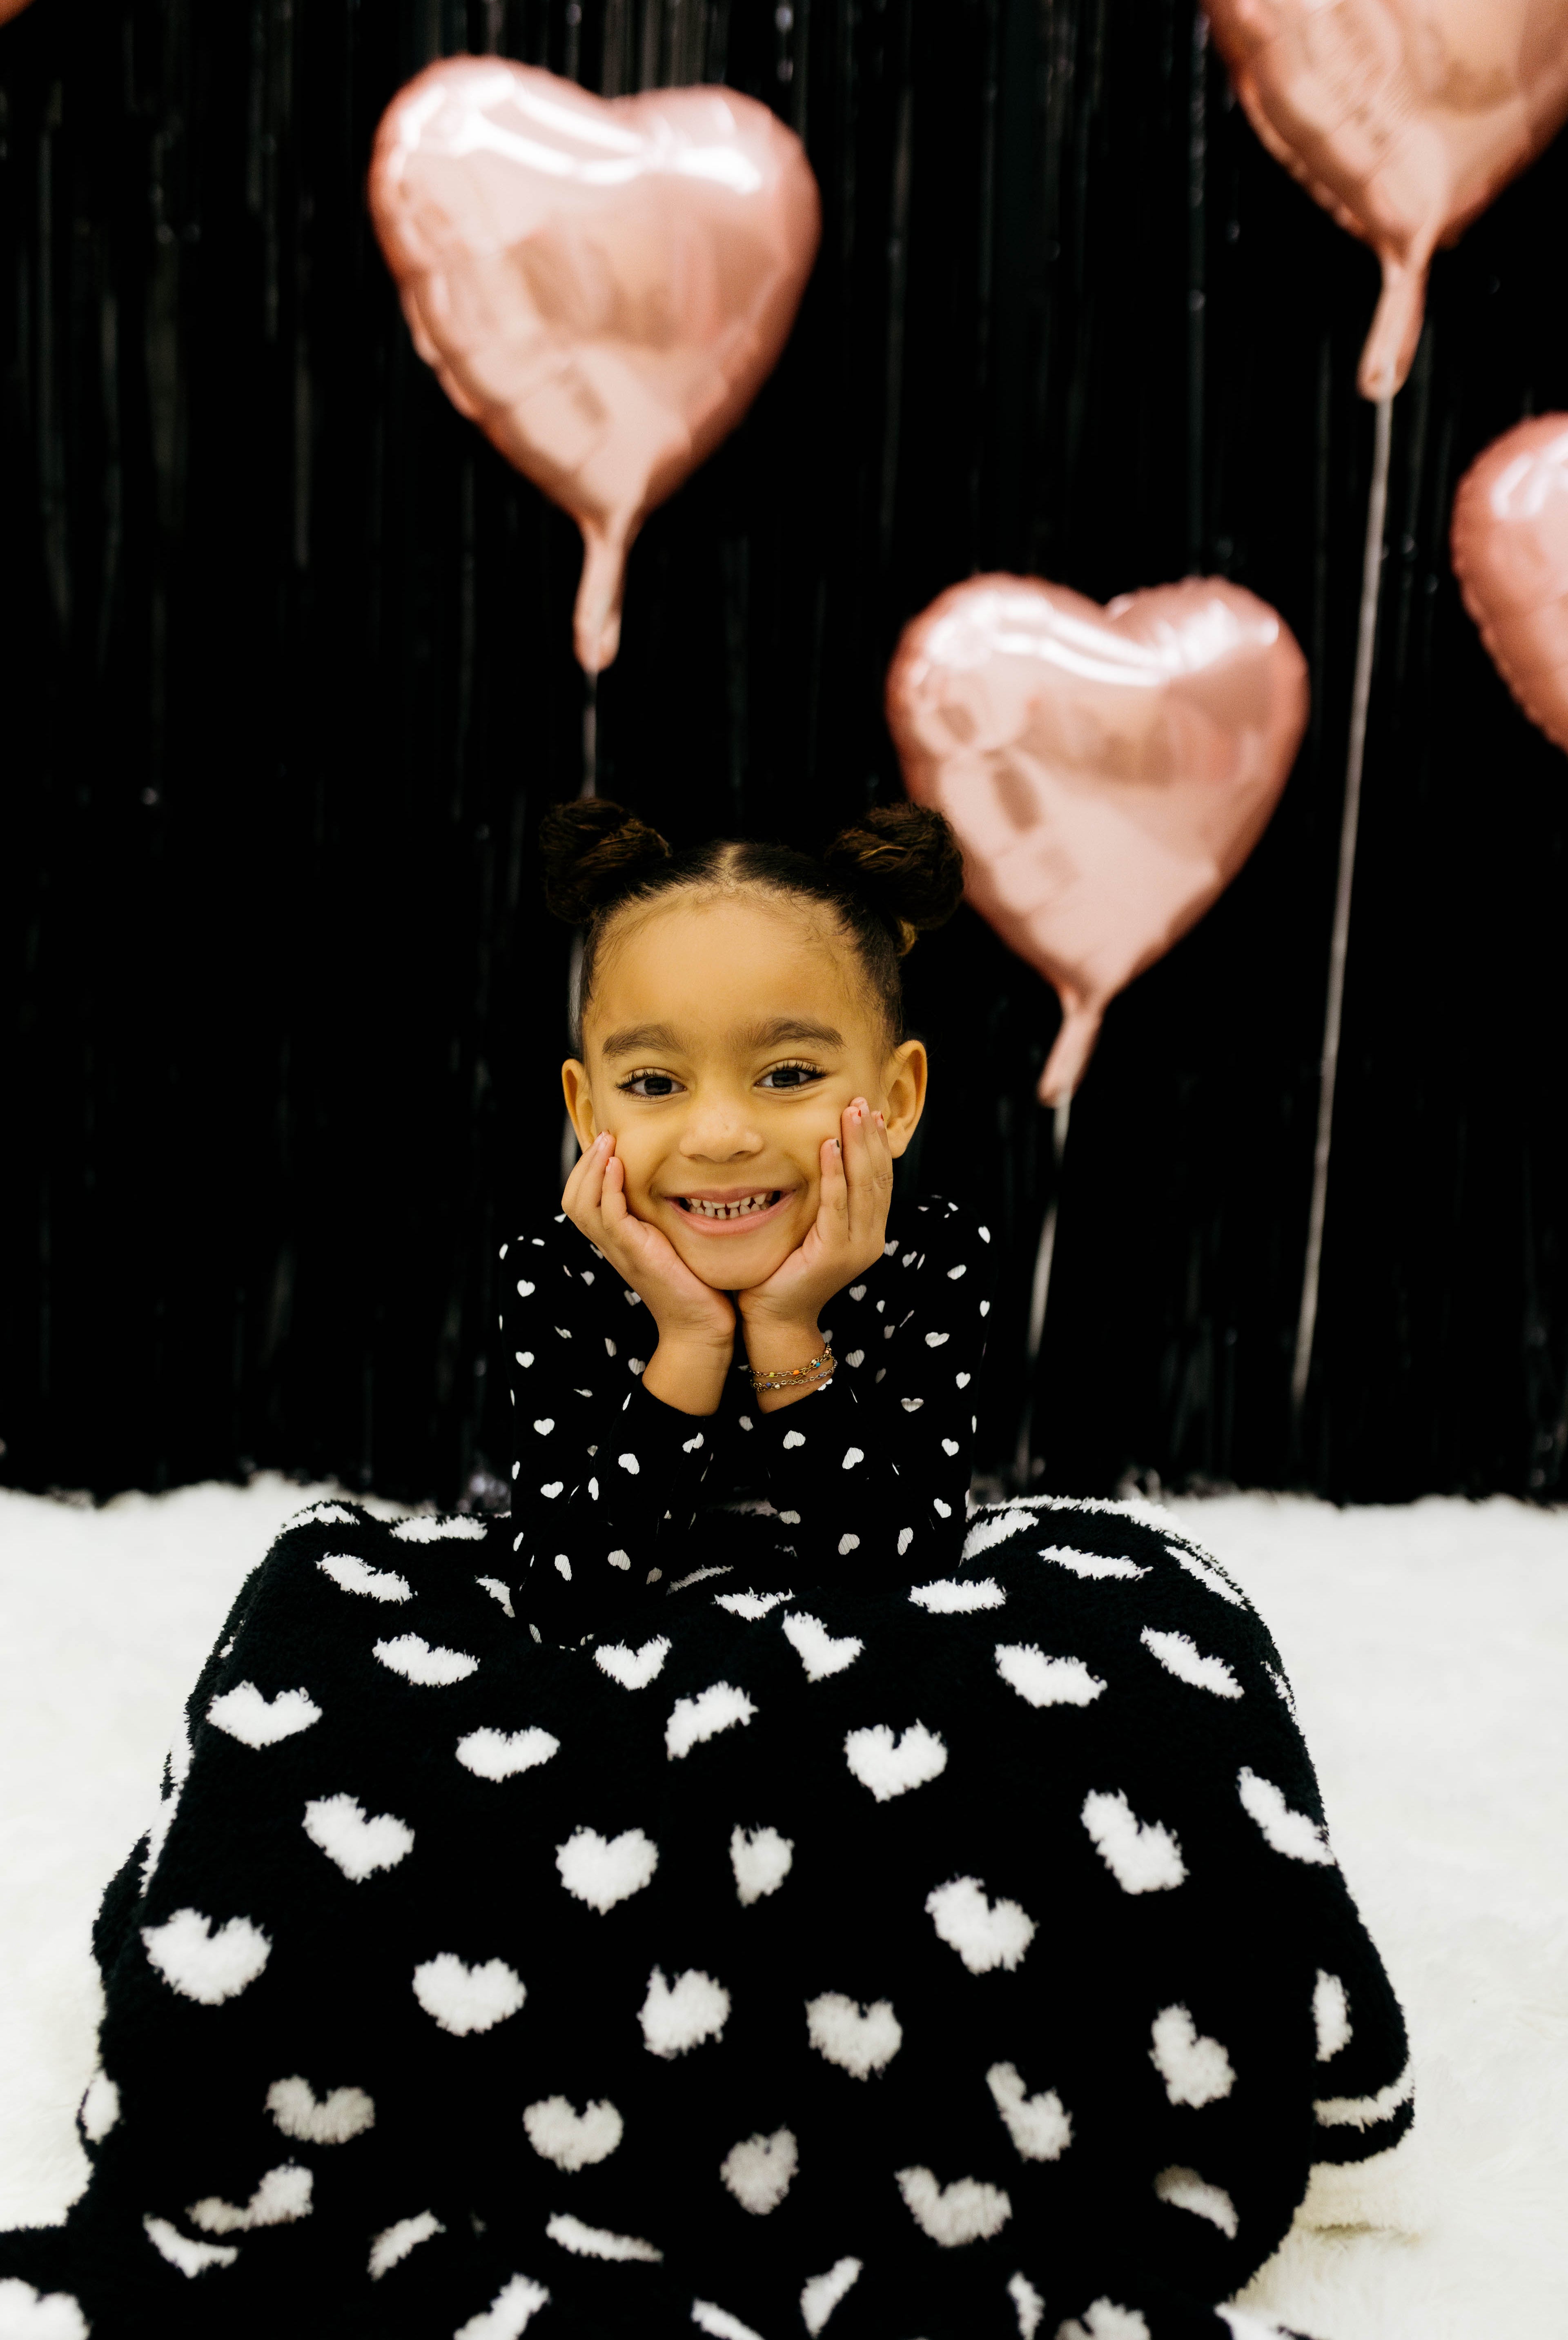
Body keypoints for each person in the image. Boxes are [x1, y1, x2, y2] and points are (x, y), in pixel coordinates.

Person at [0, 803, 1411, 2340]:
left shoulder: (922, 1261)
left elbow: (883, 1557)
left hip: (870, 1616)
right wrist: (683, 1343)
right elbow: (579, 1580)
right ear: (581, 1099)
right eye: (654, 1081)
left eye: (790, 1075)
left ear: (899, 1092)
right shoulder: (561, 1273)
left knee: (1075, 1726)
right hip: (604, 1596)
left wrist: (799, 1331)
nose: (722, 1132)